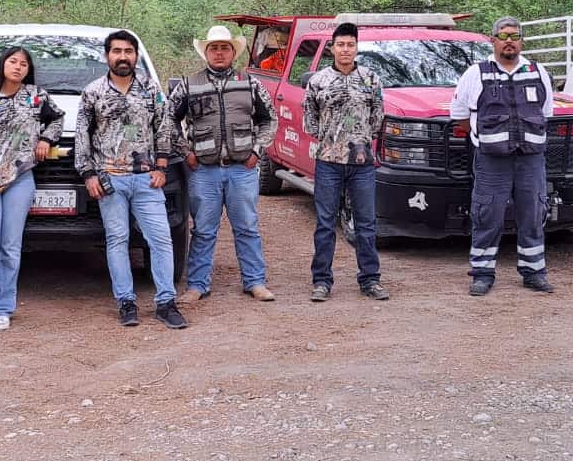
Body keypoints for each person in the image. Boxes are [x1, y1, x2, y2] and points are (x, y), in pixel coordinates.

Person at [76, 30, 187, 330]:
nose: (122, 56)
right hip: (109, 179)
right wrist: (88, 174)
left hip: (146, 179)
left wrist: (161, 167)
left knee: (161, 239)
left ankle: (166, 301)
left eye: (128, 51)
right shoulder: (93, 92)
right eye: (116, 51)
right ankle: (126, 301)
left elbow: (163, 129)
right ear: (107, 56)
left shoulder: (151, 89)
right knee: (118, 239)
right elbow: (82, 136)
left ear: (136, 56)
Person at [171, 26, 278, 305]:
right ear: (205, 52)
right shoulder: (188, 84)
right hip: (203, 171)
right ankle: (197, 285)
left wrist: (257, 150)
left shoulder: (250, 83)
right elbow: (168, 121)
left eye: (225, 48)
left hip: (241, 169)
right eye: (214, 48)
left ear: (233, 52)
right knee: (203, 230)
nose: (219, 53)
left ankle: (255, 282)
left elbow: (270, 119)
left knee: (247, 227)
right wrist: (186, 152)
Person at [450, 17, 556, 297]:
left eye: (515, 36)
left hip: (531, 159)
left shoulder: (538, 71)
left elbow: (546, 114)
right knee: (487, 214)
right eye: (503, 35)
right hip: (491, 160)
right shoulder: (476, 73)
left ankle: (534, 271)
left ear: (521, 41)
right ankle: (482, 273)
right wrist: (487, 138)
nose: (509, 40)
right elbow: (459, 116)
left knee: (533, 213)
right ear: (493, 39)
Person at [0, 47, 64, 337]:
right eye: (12, 61)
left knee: (10, 248)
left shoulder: (36, 96)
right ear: (3, 65)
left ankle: (4, 308)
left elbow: (57, 118)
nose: (18, 67)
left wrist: (46, 138)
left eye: (23, 64)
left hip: (21, 179)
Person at [302, 22, 389, 302]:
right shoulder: (318, 81)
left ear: (356, 47)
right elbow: (309, 120)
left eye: (350, 44)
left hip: (362, 162)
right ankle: (322, 281)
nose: (345, 49)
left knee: (365, 223)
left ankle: (370, 279)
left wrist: (362, 139)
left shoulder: (371, 79)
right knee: (325, 224)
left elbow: (378, 117)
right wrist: (331, 140)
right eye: (340, 44)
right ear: (332, 48)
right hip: (328, 161)